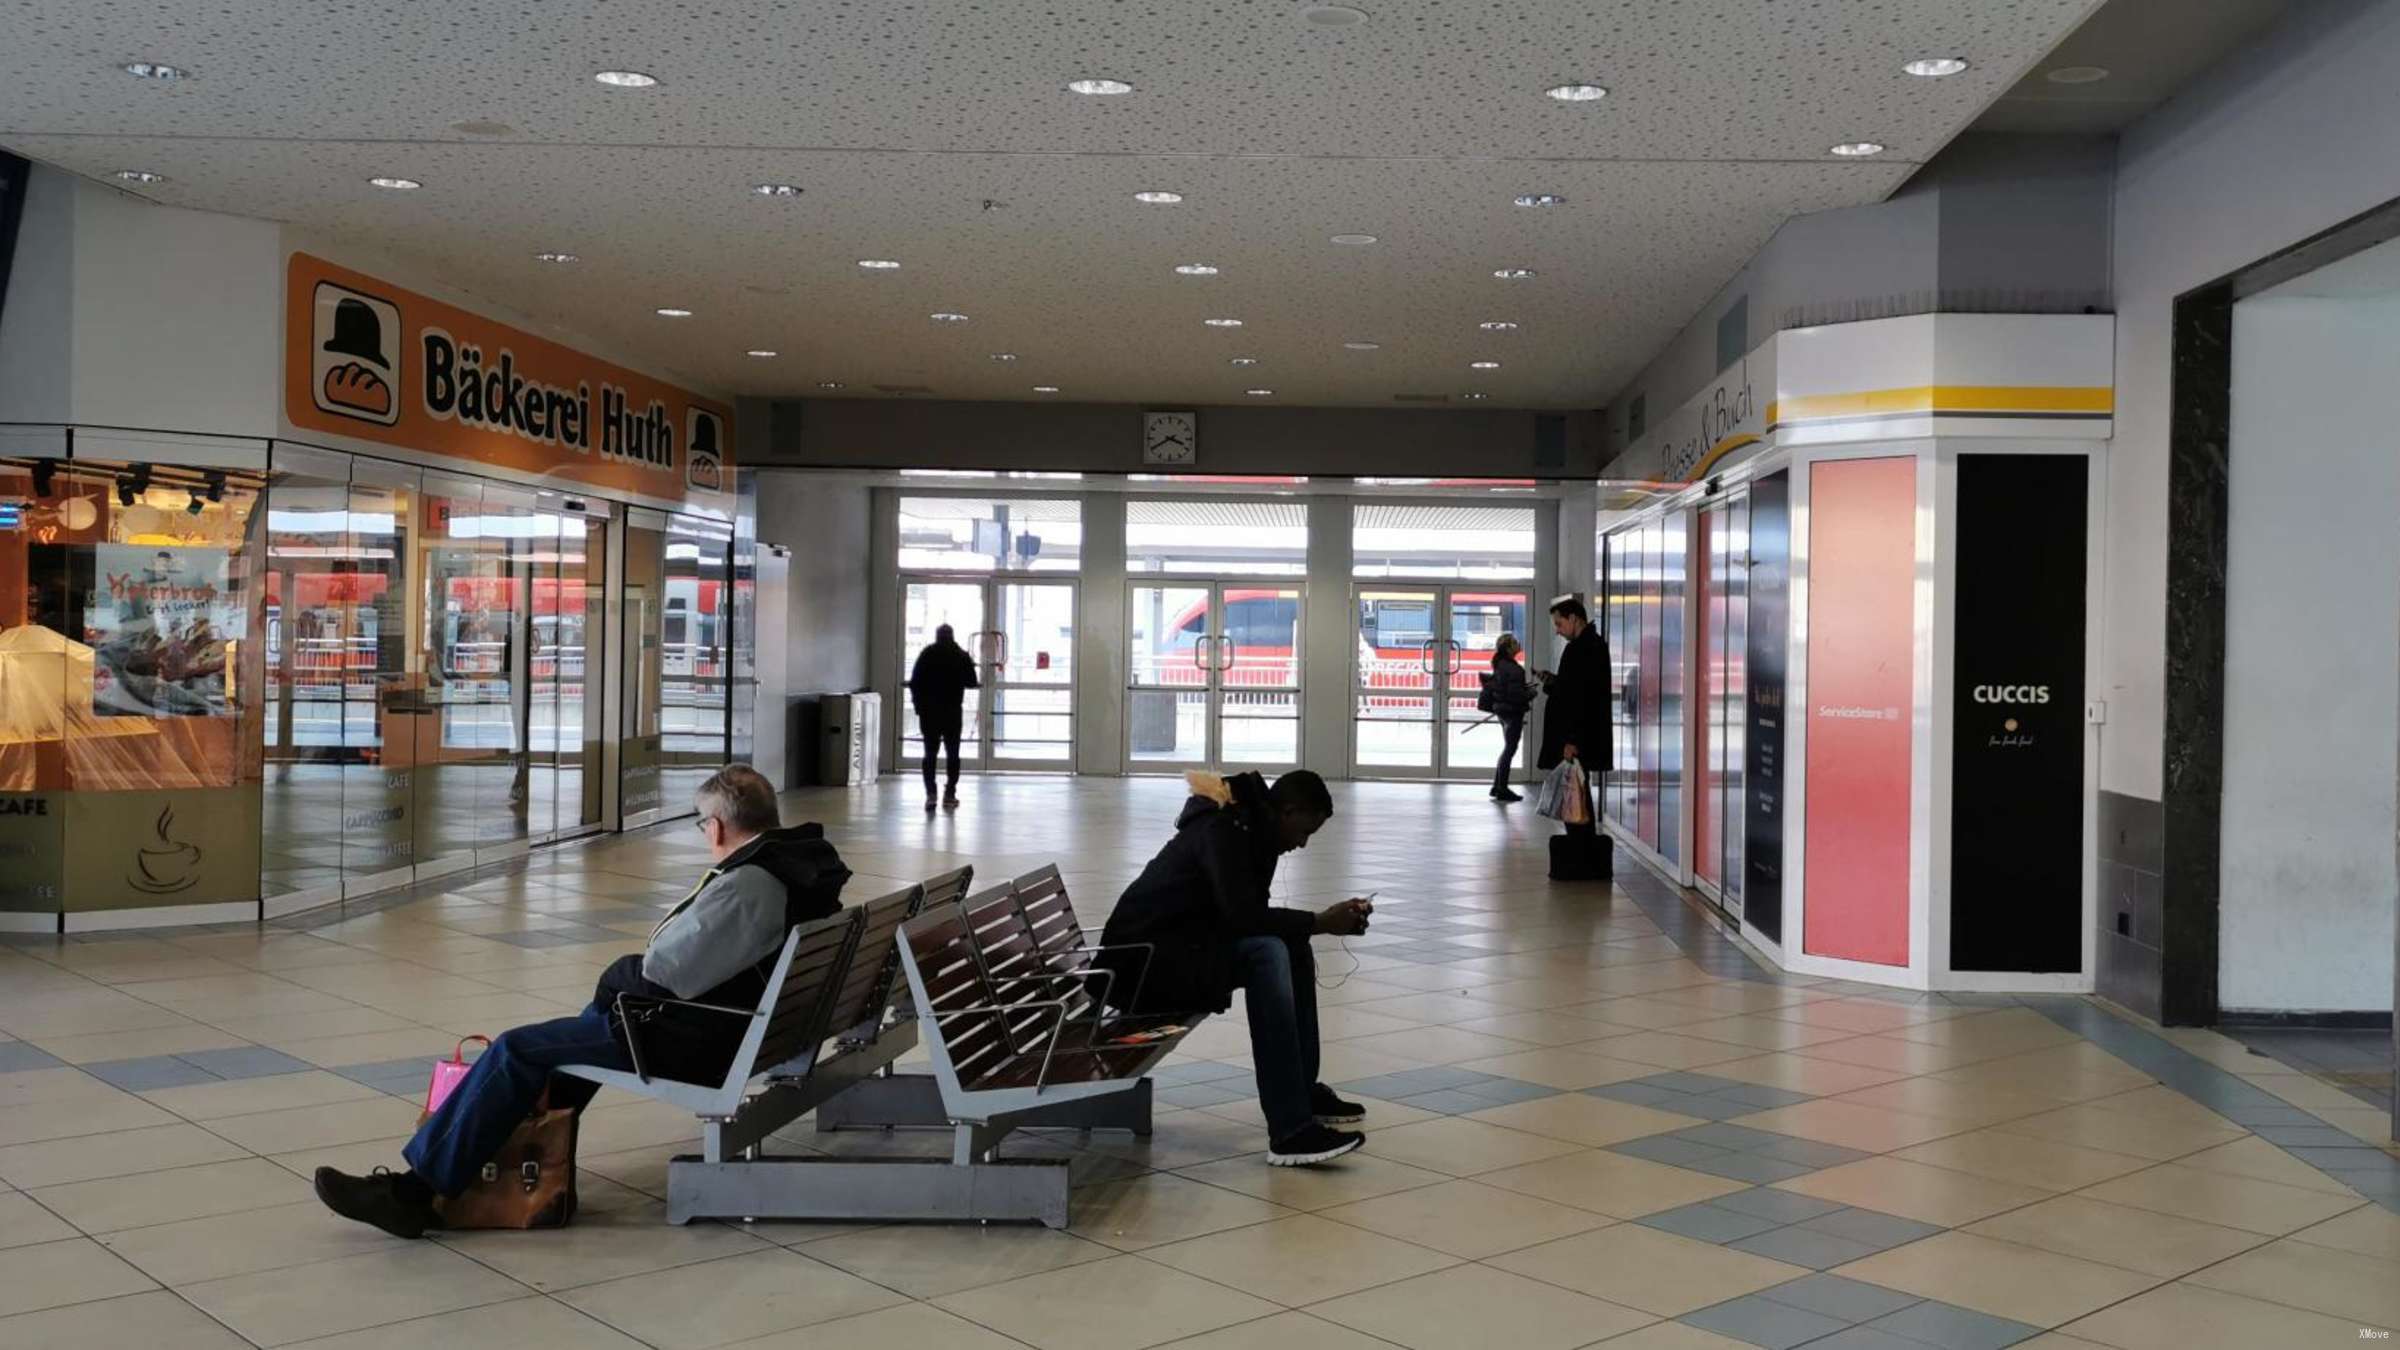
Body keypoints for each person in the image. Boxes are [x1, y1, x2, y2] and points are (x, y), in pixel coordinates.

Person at [311, 765, 851, 1238]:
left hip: (700, 1040)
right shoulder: (792, 864)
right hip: (748, 1028)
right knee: (571, 1039)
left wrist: (621, 975)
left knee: (516, 1050)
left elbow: (666, 966)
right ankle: (505, 1171)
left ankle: (413, 1193)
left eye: (701, 824)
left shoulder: (752, 883)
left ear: (717, 826)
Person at [1094, 769, 1374, 1167]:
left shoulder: (1254, 832)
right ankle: (1289, 1130)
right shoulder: (1225, 832)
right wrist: (1319, 922)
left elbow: (1244, 915)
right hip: (1143, 966)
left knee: (1289, 946)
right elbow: (1243, 918)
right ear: (1287, 811)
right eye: (1304, 831)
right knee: (1268, 953)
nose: (1302, 843)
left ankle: (1301, 1091)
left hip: (1178, 948)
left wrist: (1314, 926)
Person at [1536, 595, 1613, 837]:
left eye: (1559, 624)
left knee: (1576, 799)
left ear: (1573, 618)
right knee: (1576, 797)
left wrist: (1572, 740)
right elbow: (1572, 690)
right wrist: (1553, 682)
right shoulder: (1589, 646)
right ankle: (1582, 849)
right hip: (1579, 735)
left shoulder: (1584, 649)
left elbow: (1582, 699)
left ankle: (1582, 851)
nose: (1558, 631)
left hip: (1577, 737)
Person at [907, 624, 979, 812]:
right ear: (952, 636)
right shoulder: (961, 655)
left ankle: (931, 794)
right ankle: (950, 794)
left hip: (929, 713)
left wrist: (918, 706)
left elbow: (915, 683)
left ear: (937, 636)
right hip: (952, 712)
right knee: (953, 754)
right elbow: (972, 682)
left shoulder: (927, 654)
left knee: (930, 753)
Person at [1486, 633, 1536, 803]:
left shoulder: (1500, 665)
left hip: (1502, 710)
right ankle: (1502, 788)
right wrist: (1531, 692)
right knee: (1510, 749)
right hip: (1513, 711)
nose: (1518, 644)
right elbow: (1516, 695)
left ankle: (1497, 785)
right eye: (1515, 642)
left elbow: (1508, 689)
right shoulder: (1514, 669)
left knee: (1507, 747)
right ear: (1508, 648)